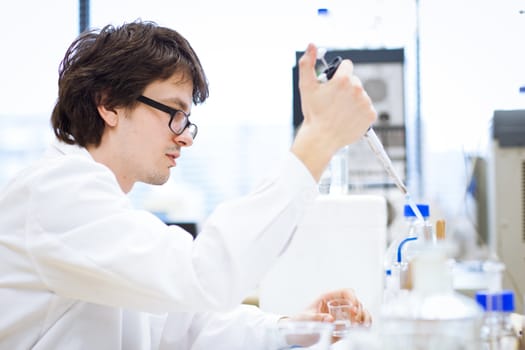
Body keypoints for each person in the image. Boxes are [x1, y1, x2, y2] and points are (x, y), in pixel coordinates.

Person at [0, 20, 376, 349]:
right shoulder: (56, 193)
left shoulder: (98, 208)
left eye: (187, 119)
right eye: (174, 113)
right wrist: (318, 140)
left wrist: (291, 329)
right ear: (109, 104)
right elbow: (206, 275)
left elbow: (180, 325)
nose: (185, 137)